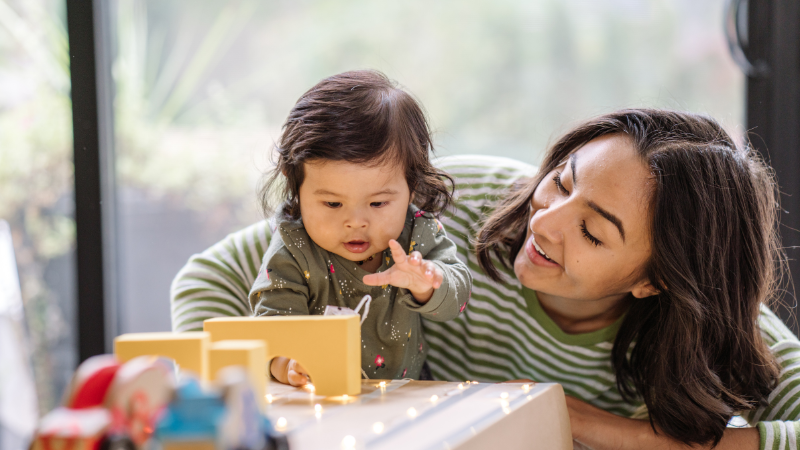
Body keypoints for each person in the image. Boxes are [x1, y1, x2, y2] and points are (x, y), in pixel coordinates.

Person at [425, 109, 797, 449]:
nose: (542, 222)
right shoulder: (449, 204)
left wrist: (575, 417)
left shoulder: (708, 320)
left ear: (656, 281)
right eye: (562, 183)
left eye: (591, 231)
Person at [249, 70, 472, 386]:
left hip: (408, 395)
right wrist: (286, 363)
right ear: (296, 187)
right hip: (323, 396)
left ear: (412, 185)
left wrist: (426, 283)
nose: (356, 222)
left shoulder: (418, 234)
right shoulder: (294, 248)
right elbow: (272, 324)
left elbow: (457, 298)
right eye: (332, 204)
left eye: (378, 203)